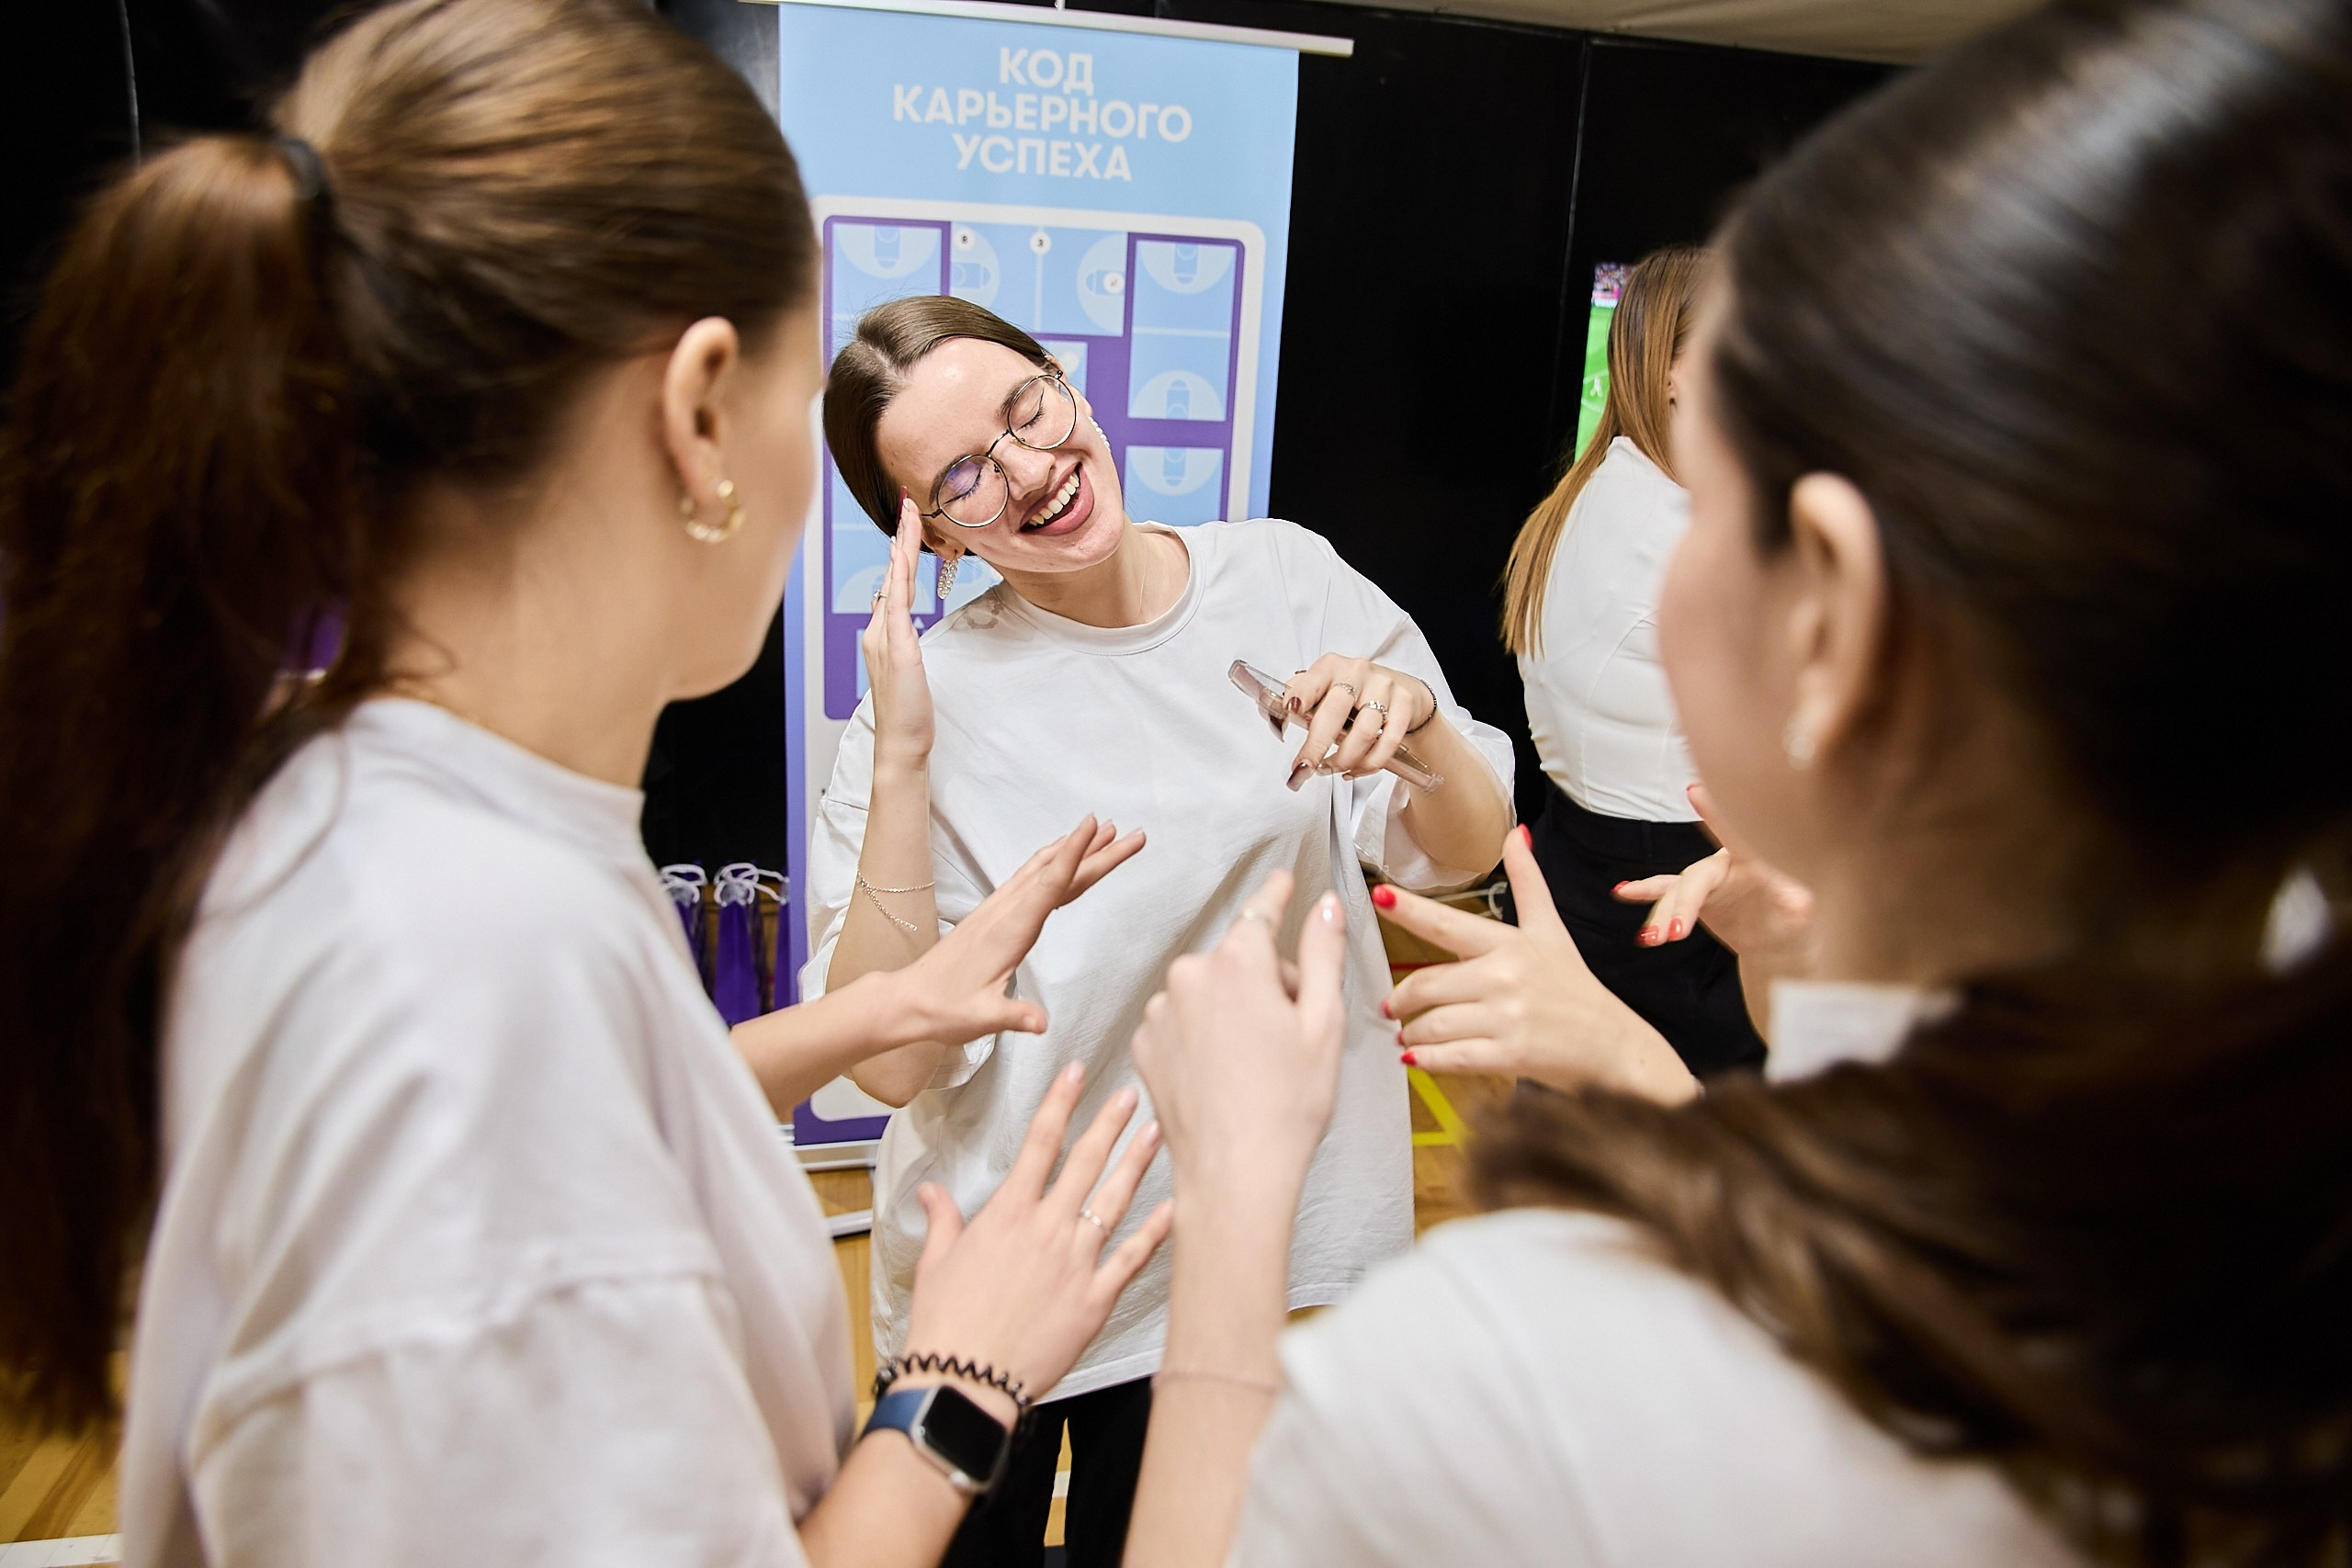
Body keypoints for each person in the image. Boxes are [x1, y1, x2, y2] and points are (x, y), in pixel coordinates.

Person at [1121, 0, 2352, 1562]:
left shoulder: (1508, 1375)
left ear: (1828, 604)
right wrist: (1783, 995)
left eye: (1715, 493)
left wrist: (1234, 1204)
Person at [0, 3, 1178, 1563]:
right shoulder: (461, 965)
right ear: (699, 412)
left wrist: (873, 1014)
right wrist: (959, 1383)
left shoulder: (414, 796)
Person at [809, 297, 1517, 1566]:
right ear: (928, 536)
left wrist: (1419, 728)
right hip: (1004, 1268)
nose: (1030, 471)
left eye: (1027, 408)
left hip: (1249, 1247)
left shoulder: (1284, 578)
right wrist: (909, 750)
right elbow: (885, 1060)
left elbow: (1460, 850)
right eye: (964, 475)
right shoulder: (932, 698)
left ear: (1065, 382)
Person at [1498, 243, 1768, 1077]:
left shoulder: (1593, 489)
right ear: (1674, 371)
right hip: (1672, 907)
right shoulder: (1684, 538)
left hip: (1582, 866)